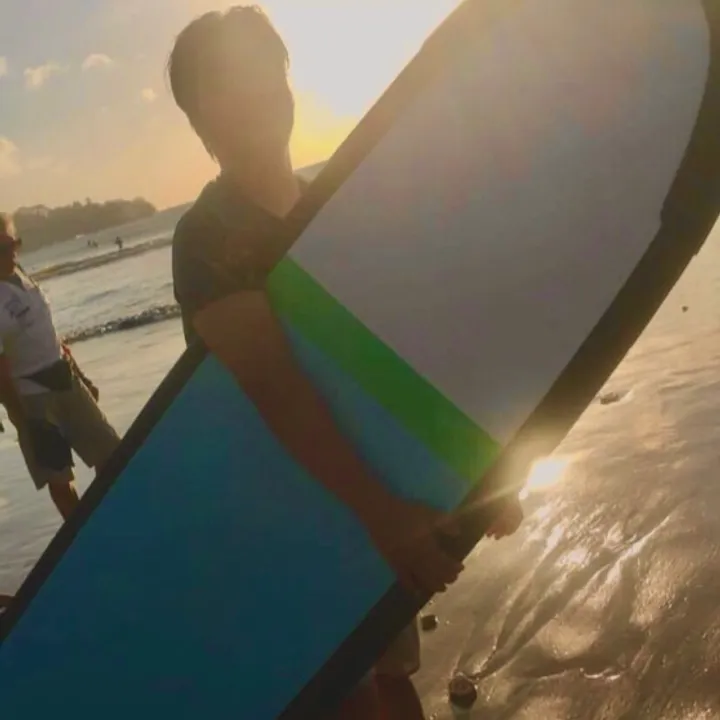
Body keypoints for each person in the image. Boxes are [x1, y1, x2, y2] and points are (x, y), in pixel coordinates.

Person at [168, 7, 523, 718]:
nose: (252, 88)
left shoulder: (337, 208)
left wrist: (482, 472)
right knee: (344, 697)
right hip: (287, 515)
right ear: (198, 117)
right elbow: (274, 386)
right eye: (223, 80)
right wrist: (383, 516)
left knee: (393, 680)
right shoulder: (205, 234)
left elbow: (397, 353)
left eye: (262, 67)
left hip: (371, 499)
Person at [0, 213, 120, 520]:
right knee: (59, 478)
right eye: (3, 249)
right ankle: (84, 533)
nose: (12, 253)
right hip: (32, 397)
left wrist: (81, 375)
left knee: (111, 452)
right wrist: (23, 420)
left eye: (14, 244)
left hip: (65, 377)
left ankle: (105, 517)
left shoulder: (24, 277)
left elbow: (49, 334)